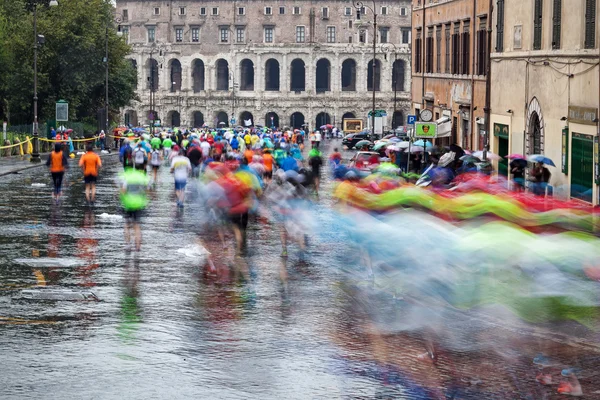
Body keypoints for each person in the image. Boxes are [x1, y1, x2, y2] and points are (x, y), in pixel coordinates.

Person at [120, 168, 149, 252]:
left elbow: (124, 191)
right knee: (137, 225)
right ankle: (138, 246)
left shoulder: (127, 178)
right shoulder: (142, 178)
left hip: (128, 203)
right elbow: (146, 191)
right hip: (139, 204)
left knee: (127, 225)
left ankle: (128, 245)